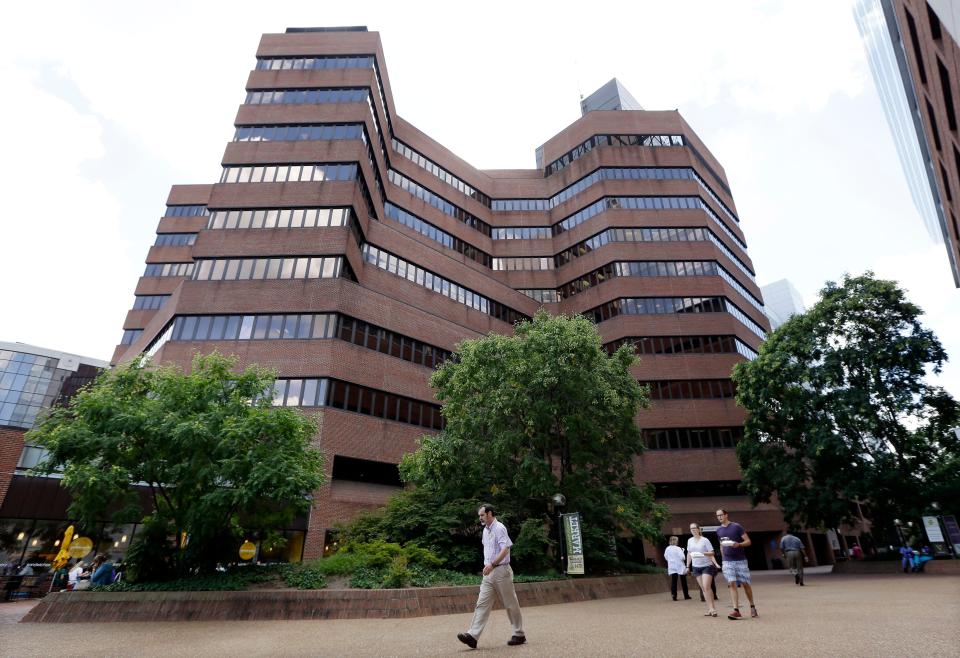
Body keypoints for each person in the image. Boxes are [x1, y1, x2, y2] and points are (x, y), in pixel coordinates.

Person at [457, 505, 526, 649]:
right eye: (479, 516)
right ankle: (472, 636)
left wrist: (492, 565)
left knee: (510, 603)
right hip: (489, 573)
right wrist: (488, 566)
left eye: (482, 515)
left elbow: (506, 549)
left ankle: (519, 634)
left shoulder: (500, 528)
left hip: (501, 571)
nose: (480, 518)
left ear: (489, 514)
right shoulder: (485, 531)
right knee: (482, 604)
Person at [716, 509, 758, 620]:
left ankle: (752, 606)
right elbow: (721, 544)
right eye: (717, 516)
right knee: (732, 583)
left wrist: (738, 544)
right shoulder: (719, 530)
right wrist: (723, 557)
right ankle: (736, 610)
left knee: (745, 584)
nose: (719, 517)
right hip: (727, 561)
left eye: (721, 515)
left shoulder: (736, 527)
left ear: (726, 515)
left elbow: (748, 541)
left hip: (740, 560)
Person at [686, 522, 718, 617]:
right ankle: (710, 608)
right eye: (691, 529)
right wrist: (687, 566)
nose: (693, 530)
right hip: (696, 567)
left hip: (707, 566)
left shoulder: (705, 540)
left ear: (699, 529)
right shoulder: (690, 540)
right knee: (704, 589)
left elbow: (712, 553)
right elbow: (689, 553)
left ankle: (712, 609)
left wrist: (703, 553)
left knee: (707, 586)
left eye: (694, 528)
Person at [664, 536, 691, 601]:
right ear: (676, 541)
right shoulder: (678, 548)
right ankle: (686, 595)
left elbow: (666, 557)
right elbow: (683, 557)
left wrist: (671, 560)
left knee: (674, 581)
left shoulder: (667, 548)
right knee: (683, 581)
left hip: (672, 566)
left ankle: (674, 596)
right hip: (679, 566)